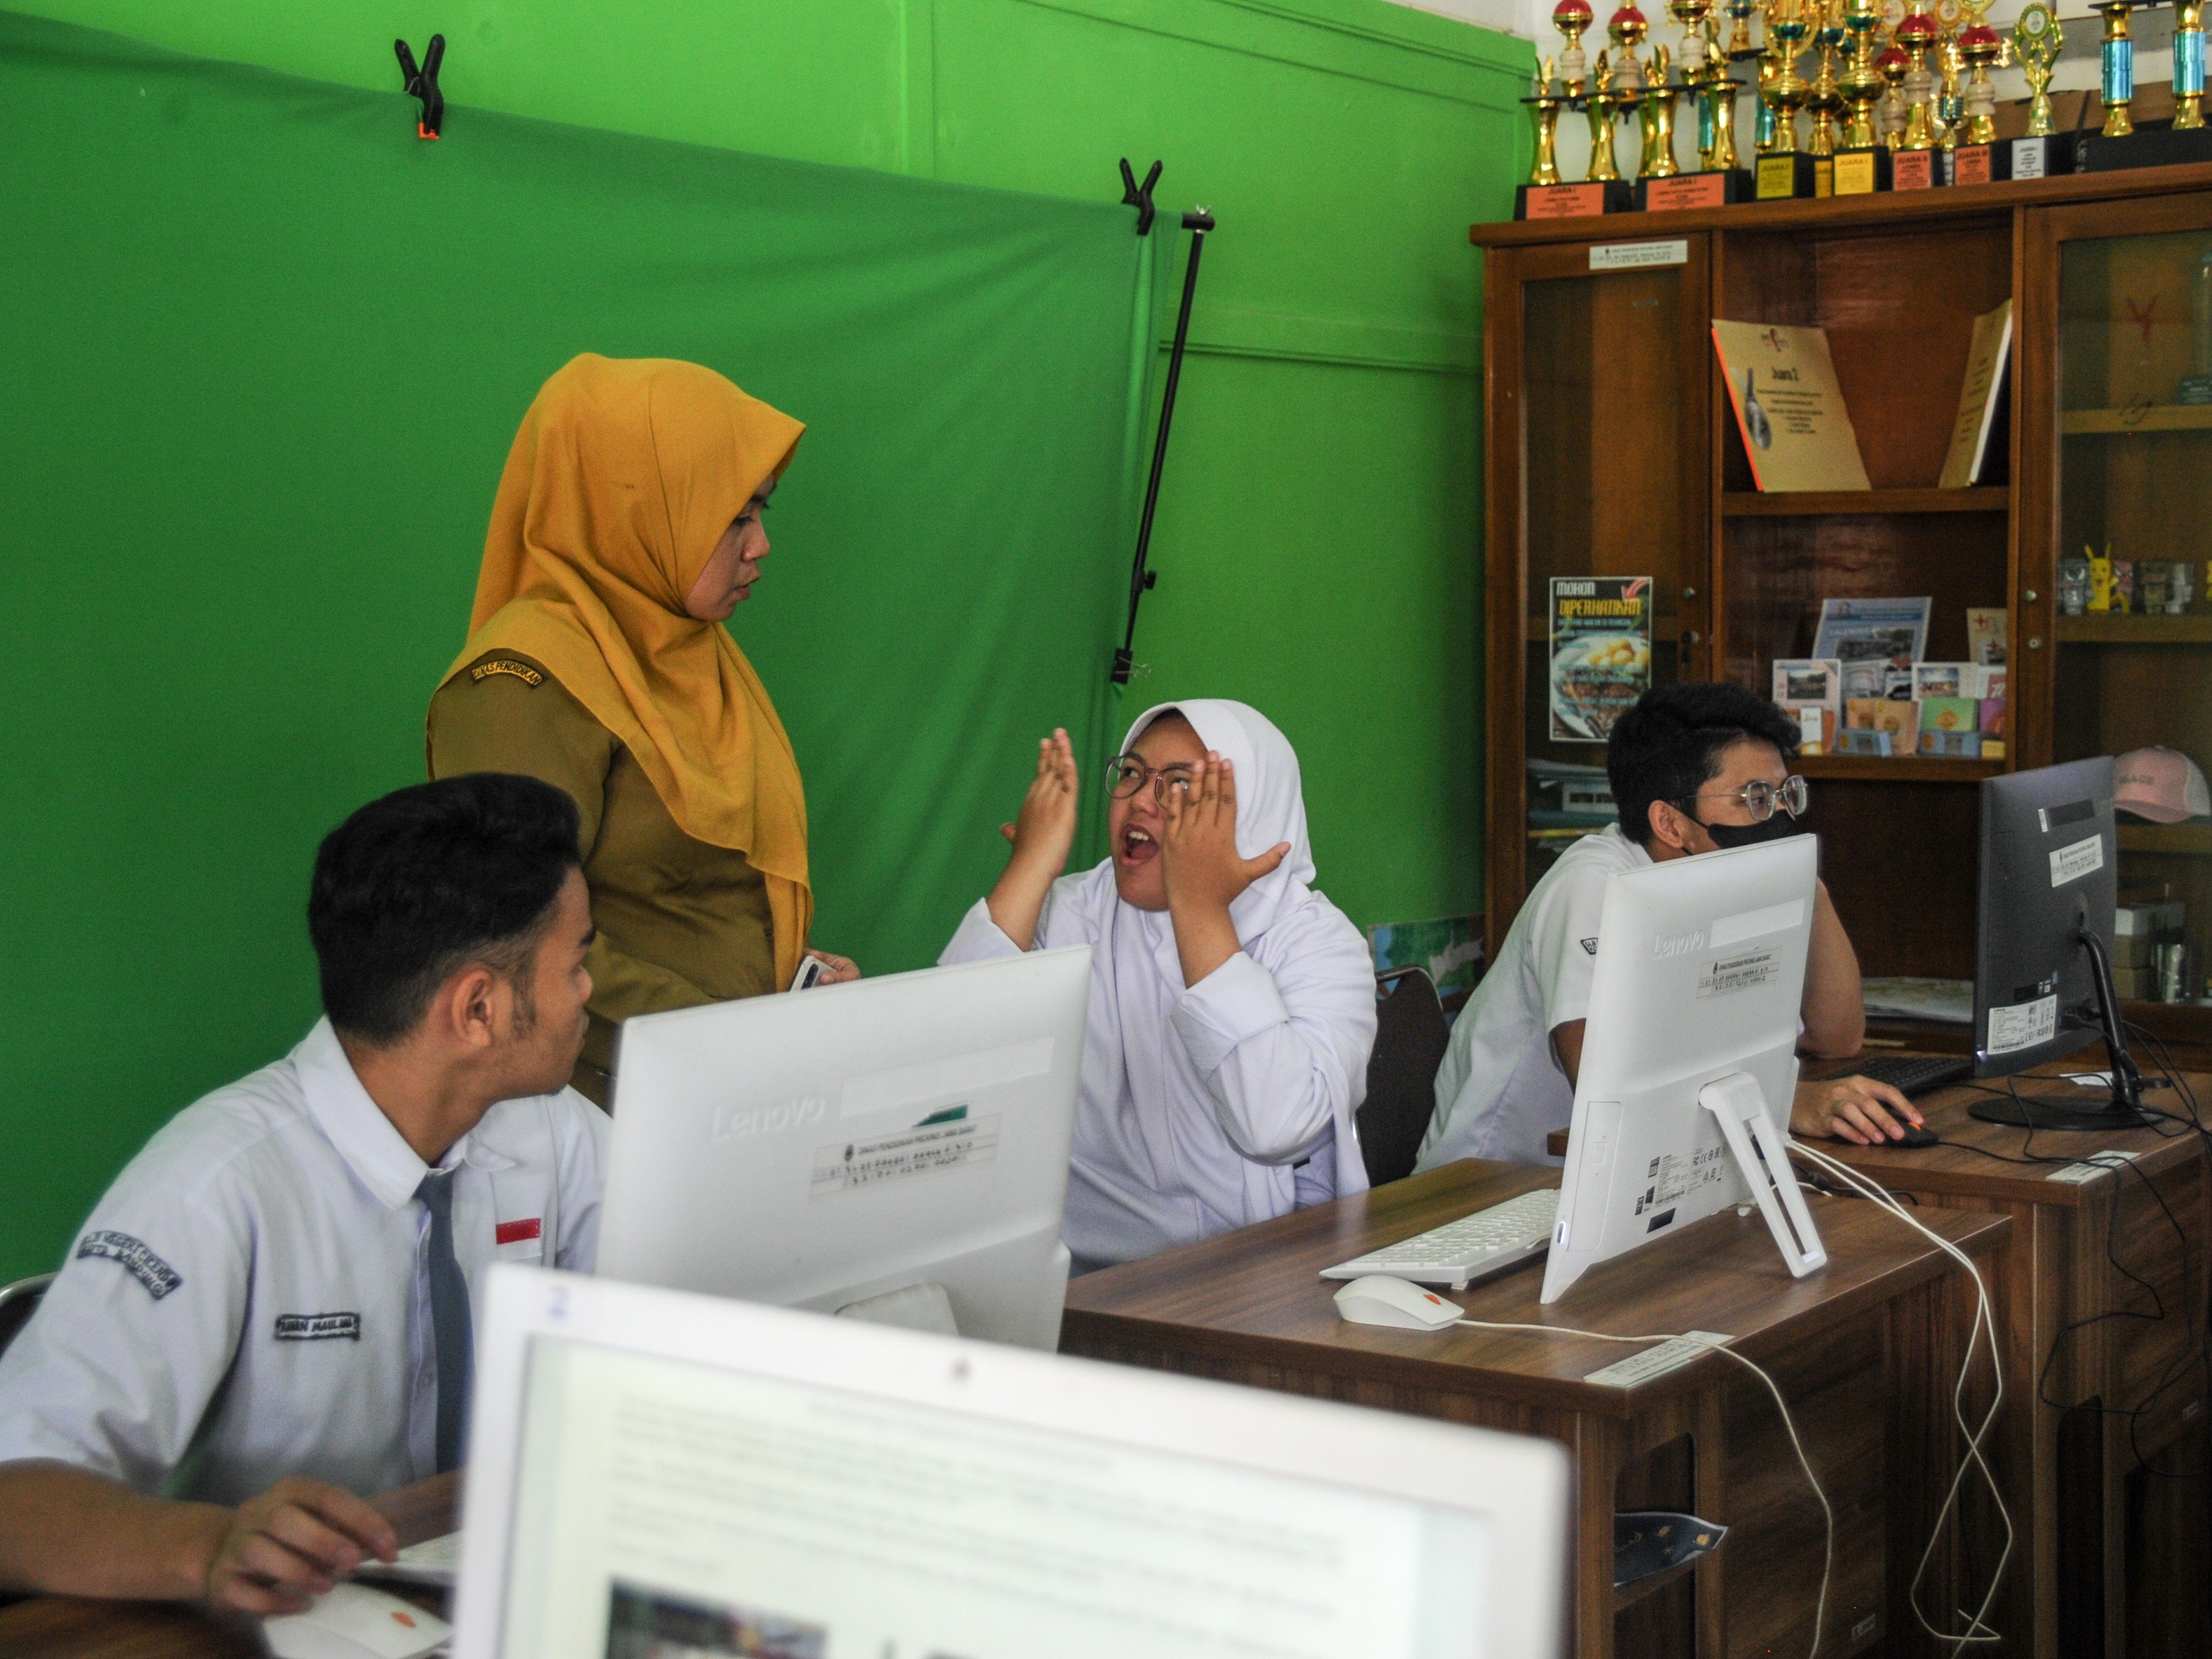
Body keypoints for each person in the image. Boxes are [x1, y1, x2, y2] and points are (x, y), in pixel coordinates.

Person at [0, 774, 608, 1611]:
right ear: (478, 1008)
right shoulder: (216, 1184)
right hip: (300, 1622)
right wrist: (208, 1547)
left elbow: (672, 1325)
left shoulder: (553, 1129)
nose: (589, 991)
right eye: (576, 962)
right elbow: (14, 1494)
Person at [428, 354, 853, 1109]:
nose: (760, 546)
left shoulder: (689, 652)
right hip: (598, 1113)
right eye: (733, 517)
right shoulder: (524, 684)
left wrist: (789, 981)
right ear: (636, 506)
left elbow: (707, 897)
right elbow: (511, 930)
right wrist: (742, 1033)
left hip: (725, 1084)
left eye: (761, 512)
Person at [942, 701, 1377, 1272]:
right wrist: (1031, 866)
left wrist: (1197, 905)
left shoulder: (1315, 942)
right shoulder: (1072, 911)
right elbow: (945, 1070)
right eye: (1131, 774)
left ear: (1254, 815)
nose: (1142, 800)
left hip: (1272, 1275)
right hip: (1089, 1290)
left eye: (1180, 786)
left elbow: (1275, 1126)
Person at [1420, 681, 1918, 1172]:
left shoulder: (1733, 876)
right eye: (1754, 798)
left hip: (1661, 1168)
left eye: (1786, 793)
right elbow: (1605, 1084)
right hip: (1497, 1183)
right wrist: (1786, 1104)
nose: (1780, 815)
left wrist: (1808, 886)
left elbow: (1837, 1039)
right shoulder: (1594, 887)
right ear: (1670, 823)